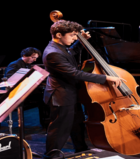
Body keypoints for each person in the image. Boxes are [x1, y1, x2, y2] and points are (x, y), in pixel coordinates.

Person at [42, 20, 124, 156]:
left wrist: (81, 41)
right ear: (58, 34)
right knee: (60, 128)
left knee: (77, 124)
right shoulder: (52, 53)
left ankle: (81, 149)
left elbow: (70, 53)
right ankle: (52, 155)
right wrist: (106, 78)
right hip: (61, 95)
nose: (75, 38)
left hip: (70, 92)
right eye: (73, 35)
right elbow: (75, 73)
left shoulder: (60, 47)